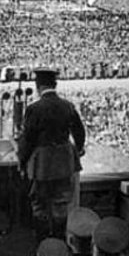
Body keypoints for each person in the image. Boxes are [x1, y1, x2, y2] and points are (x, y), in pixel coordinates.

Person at [16, 68, 86, 240]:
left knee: (39, 204)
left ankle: (43, 245)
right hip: (64, 162)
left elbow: (28, 139)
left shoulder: (34, 109)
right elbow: (80, 131)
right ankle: (59, 243)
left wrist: (21, 161)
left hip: (43, 165)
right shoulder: (67, 106)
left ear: (38, 86)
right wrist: (78, 149)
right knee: (61, 204)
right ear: (55, 84)